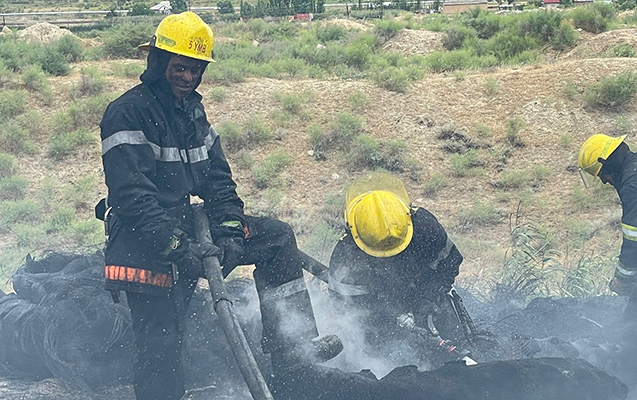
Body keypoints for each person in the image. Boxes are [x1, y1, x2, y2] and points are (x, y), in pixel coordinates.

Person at [96, 12, 341, 400]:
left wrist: (229, 230)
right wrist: (179, 248)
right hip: (144, 241)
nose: (187, 77)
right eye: (180, 67)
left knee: (276, 238)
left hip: (189, 226)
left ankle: (293, 356)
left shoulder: (192, 112)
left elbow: (218, 181)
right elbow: (132, 198)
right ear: (158, 62)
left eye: (195, 69)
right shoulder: (128, 112)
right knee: (160, 348)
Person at [327, 172, 471, 365]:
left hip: (428, 296)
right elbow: (346, 308)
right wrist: (386, 317)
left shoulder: (425, 228)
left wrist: (429, 298)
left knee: (458, 352)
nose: (389, 259)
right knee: (388, 365)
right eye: (381, 254)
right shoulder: (346, 256)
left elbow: (450, 262)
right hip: (377, 316)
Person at [578, 134, 637, 317]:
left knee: (630, 323)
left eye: (601, 173)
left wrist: (622, 280)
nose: (604, 180)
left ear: (610, 164)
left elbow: (634, 240)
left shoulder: (632, 186)